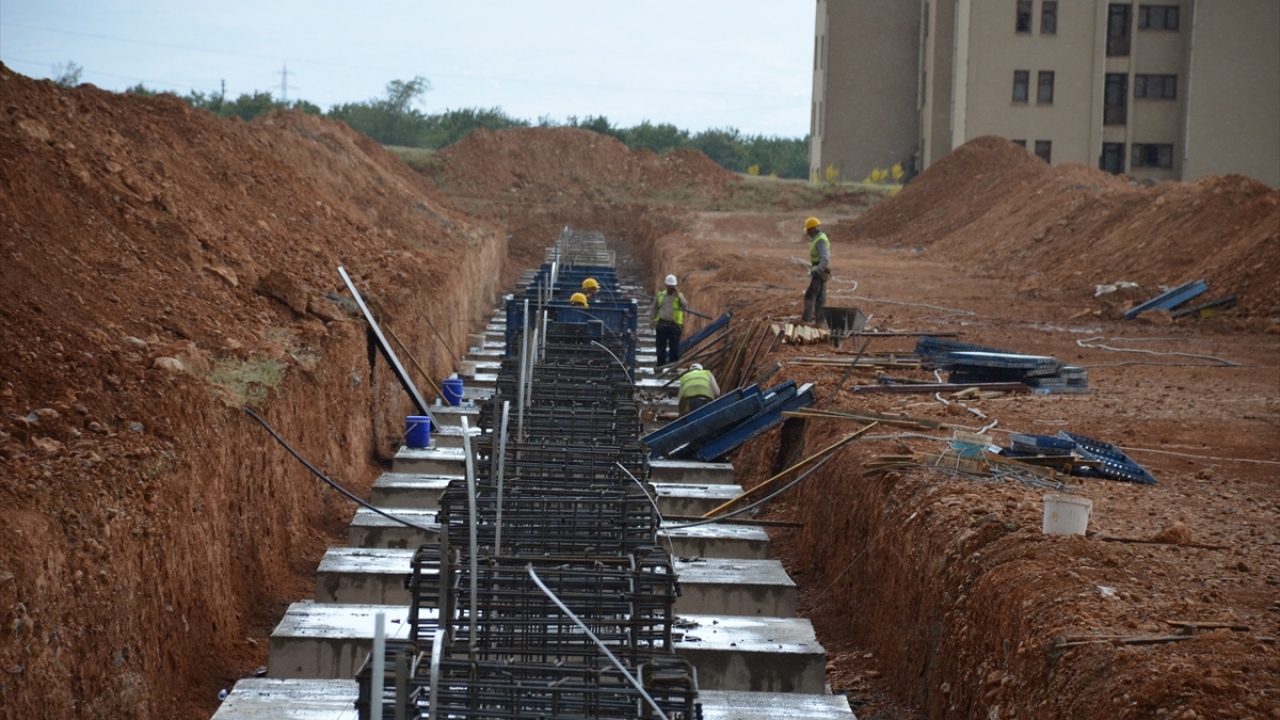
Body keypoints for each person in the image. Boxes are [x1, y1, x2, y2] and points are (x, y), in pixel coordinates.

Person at [652, 274, 686, 366]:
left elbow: (685, 305)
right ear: (666, 285)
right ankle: (660, 365)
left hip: (674, 326)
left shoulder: (679, 296)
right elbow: (654, 308)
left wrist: (678, 295)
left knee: (674, 348)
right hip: (662, 325)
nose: (671, 288)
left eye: (672, 286)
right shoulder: (661, 295)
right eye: (669, 286)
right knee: (660, 347)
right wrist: (652, 321)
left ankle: (673, 366)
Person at [802, 216, 831, 324]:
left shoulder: (820, 241)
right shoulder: (820, 238)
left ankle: (806, 320)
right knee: (820, 299)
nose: (808, 233)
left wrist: (817, 270)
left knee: (810, 296)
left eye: (809, 230)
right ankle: (820, 321)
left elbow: (825, 258)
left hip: (819, 272)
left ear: (813, 229)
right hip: (821, 271)